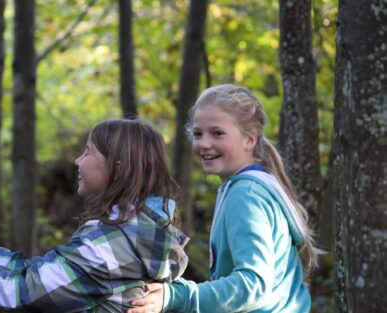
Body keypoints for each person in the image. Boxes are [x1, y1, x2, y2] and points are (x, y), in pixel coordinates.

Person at [0, 119, 189, 312]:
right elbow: (41, 273)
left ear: (118, 169)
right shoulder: (143, 232)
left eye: (88, 153)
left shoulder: (109, 247)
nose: (78, 160)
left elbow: (25, 291)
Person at [128, 84, 319, 313]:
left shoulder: (246, 195)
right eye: (198, 134)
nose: (204, 143)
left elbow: (253, 285)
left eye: (217, 133)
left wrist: (177, 296)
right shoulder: (247, 187)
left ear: (250, 140)